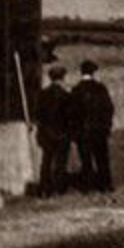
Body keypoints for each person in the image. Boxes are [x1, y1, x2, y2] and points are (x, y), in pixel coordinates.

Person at [69, 59, 117, 193]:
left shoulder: (76, 90)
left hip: (83, 131)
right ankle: (106, 185)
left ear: (81, 72)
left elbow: (71, 113)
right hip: (99, 130)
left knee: (86, 160)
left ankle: (87, 186)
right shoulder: (100, 89)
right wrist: (107, 126)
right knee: (102, 158)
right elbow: (108, 108)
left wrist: (74, 131)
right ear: (93, 72)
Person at [32, 63, 75, 196]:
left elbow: (38, 114)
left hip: (46, 133)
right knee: (60, 162)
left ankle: (44, 188)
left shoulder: (42, 94)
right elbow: (70, 116)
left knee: (46, 161)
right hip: (62, 133)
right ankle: (59, 188)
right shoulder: (66, 96)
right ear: (62, 78)